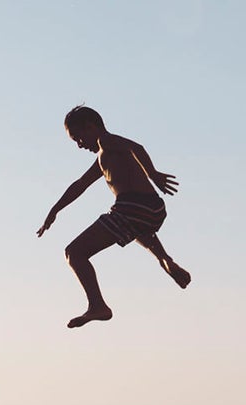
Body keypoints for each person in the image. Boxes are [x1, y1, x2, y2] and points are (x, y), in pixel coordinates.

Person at [36, 105, 190, 328]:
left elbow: (137, 147)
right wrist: (55, 210)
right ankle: (165, 259)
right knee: (133, 226)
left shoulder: (105, 142)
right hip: (151, 210)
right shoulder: (103, 156)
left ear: (91, 127)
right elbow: (80, 185)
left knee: (74, 252)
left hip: (134, 206)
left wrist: (153, 173)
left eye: (79, 138)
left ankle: (98, 306)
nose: (80, 145)